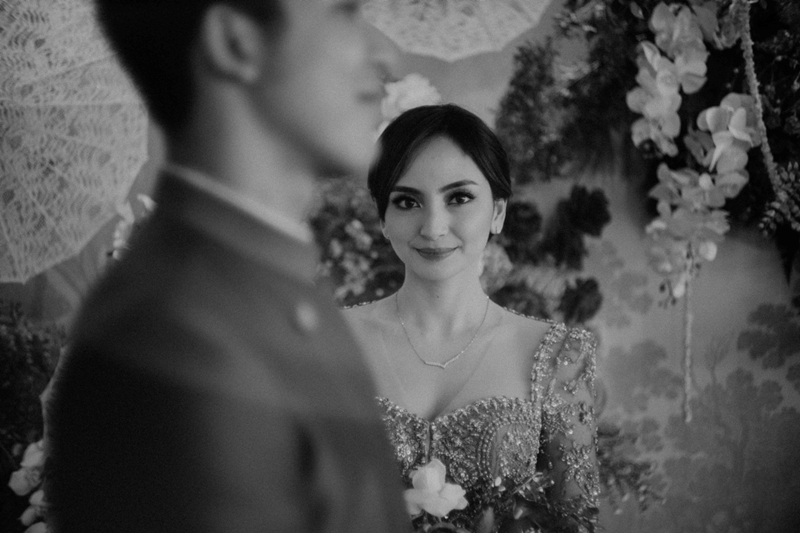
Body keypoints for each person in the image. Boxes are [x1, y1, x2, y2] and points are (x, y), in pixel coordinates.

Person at [45, 1, 409, 532]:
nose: (389, 55)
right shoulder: (175, 337)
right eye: (344, 12)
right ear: (235, 43)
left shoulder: (266, 285)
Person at [344, 104, 600, 533]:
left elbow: (577, 525)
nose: (433, 227)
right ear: (382, 217)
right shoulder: (330, 338)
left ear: (498, 211)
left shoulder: (560, 356)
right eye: (407, 201)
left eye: (459, 198)